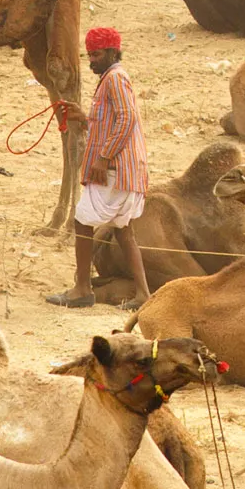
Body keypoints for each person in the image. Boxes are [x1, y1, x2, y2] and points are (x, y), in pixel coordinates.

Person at [48, 26, 150, 309]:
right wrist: (86, 117)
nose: (91, 60)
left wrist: (103, 158)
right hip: (126, 169)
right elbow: (113, 118)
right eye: (89, 54)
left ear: (112, 52)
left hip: (114, 169)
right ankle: (143, 294)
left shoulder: (116, 79)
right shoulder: (112, 79)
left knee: (82, 220)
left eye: (96, 54)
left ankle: (82, 288)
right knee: (123, 229)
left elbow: (126, 119)